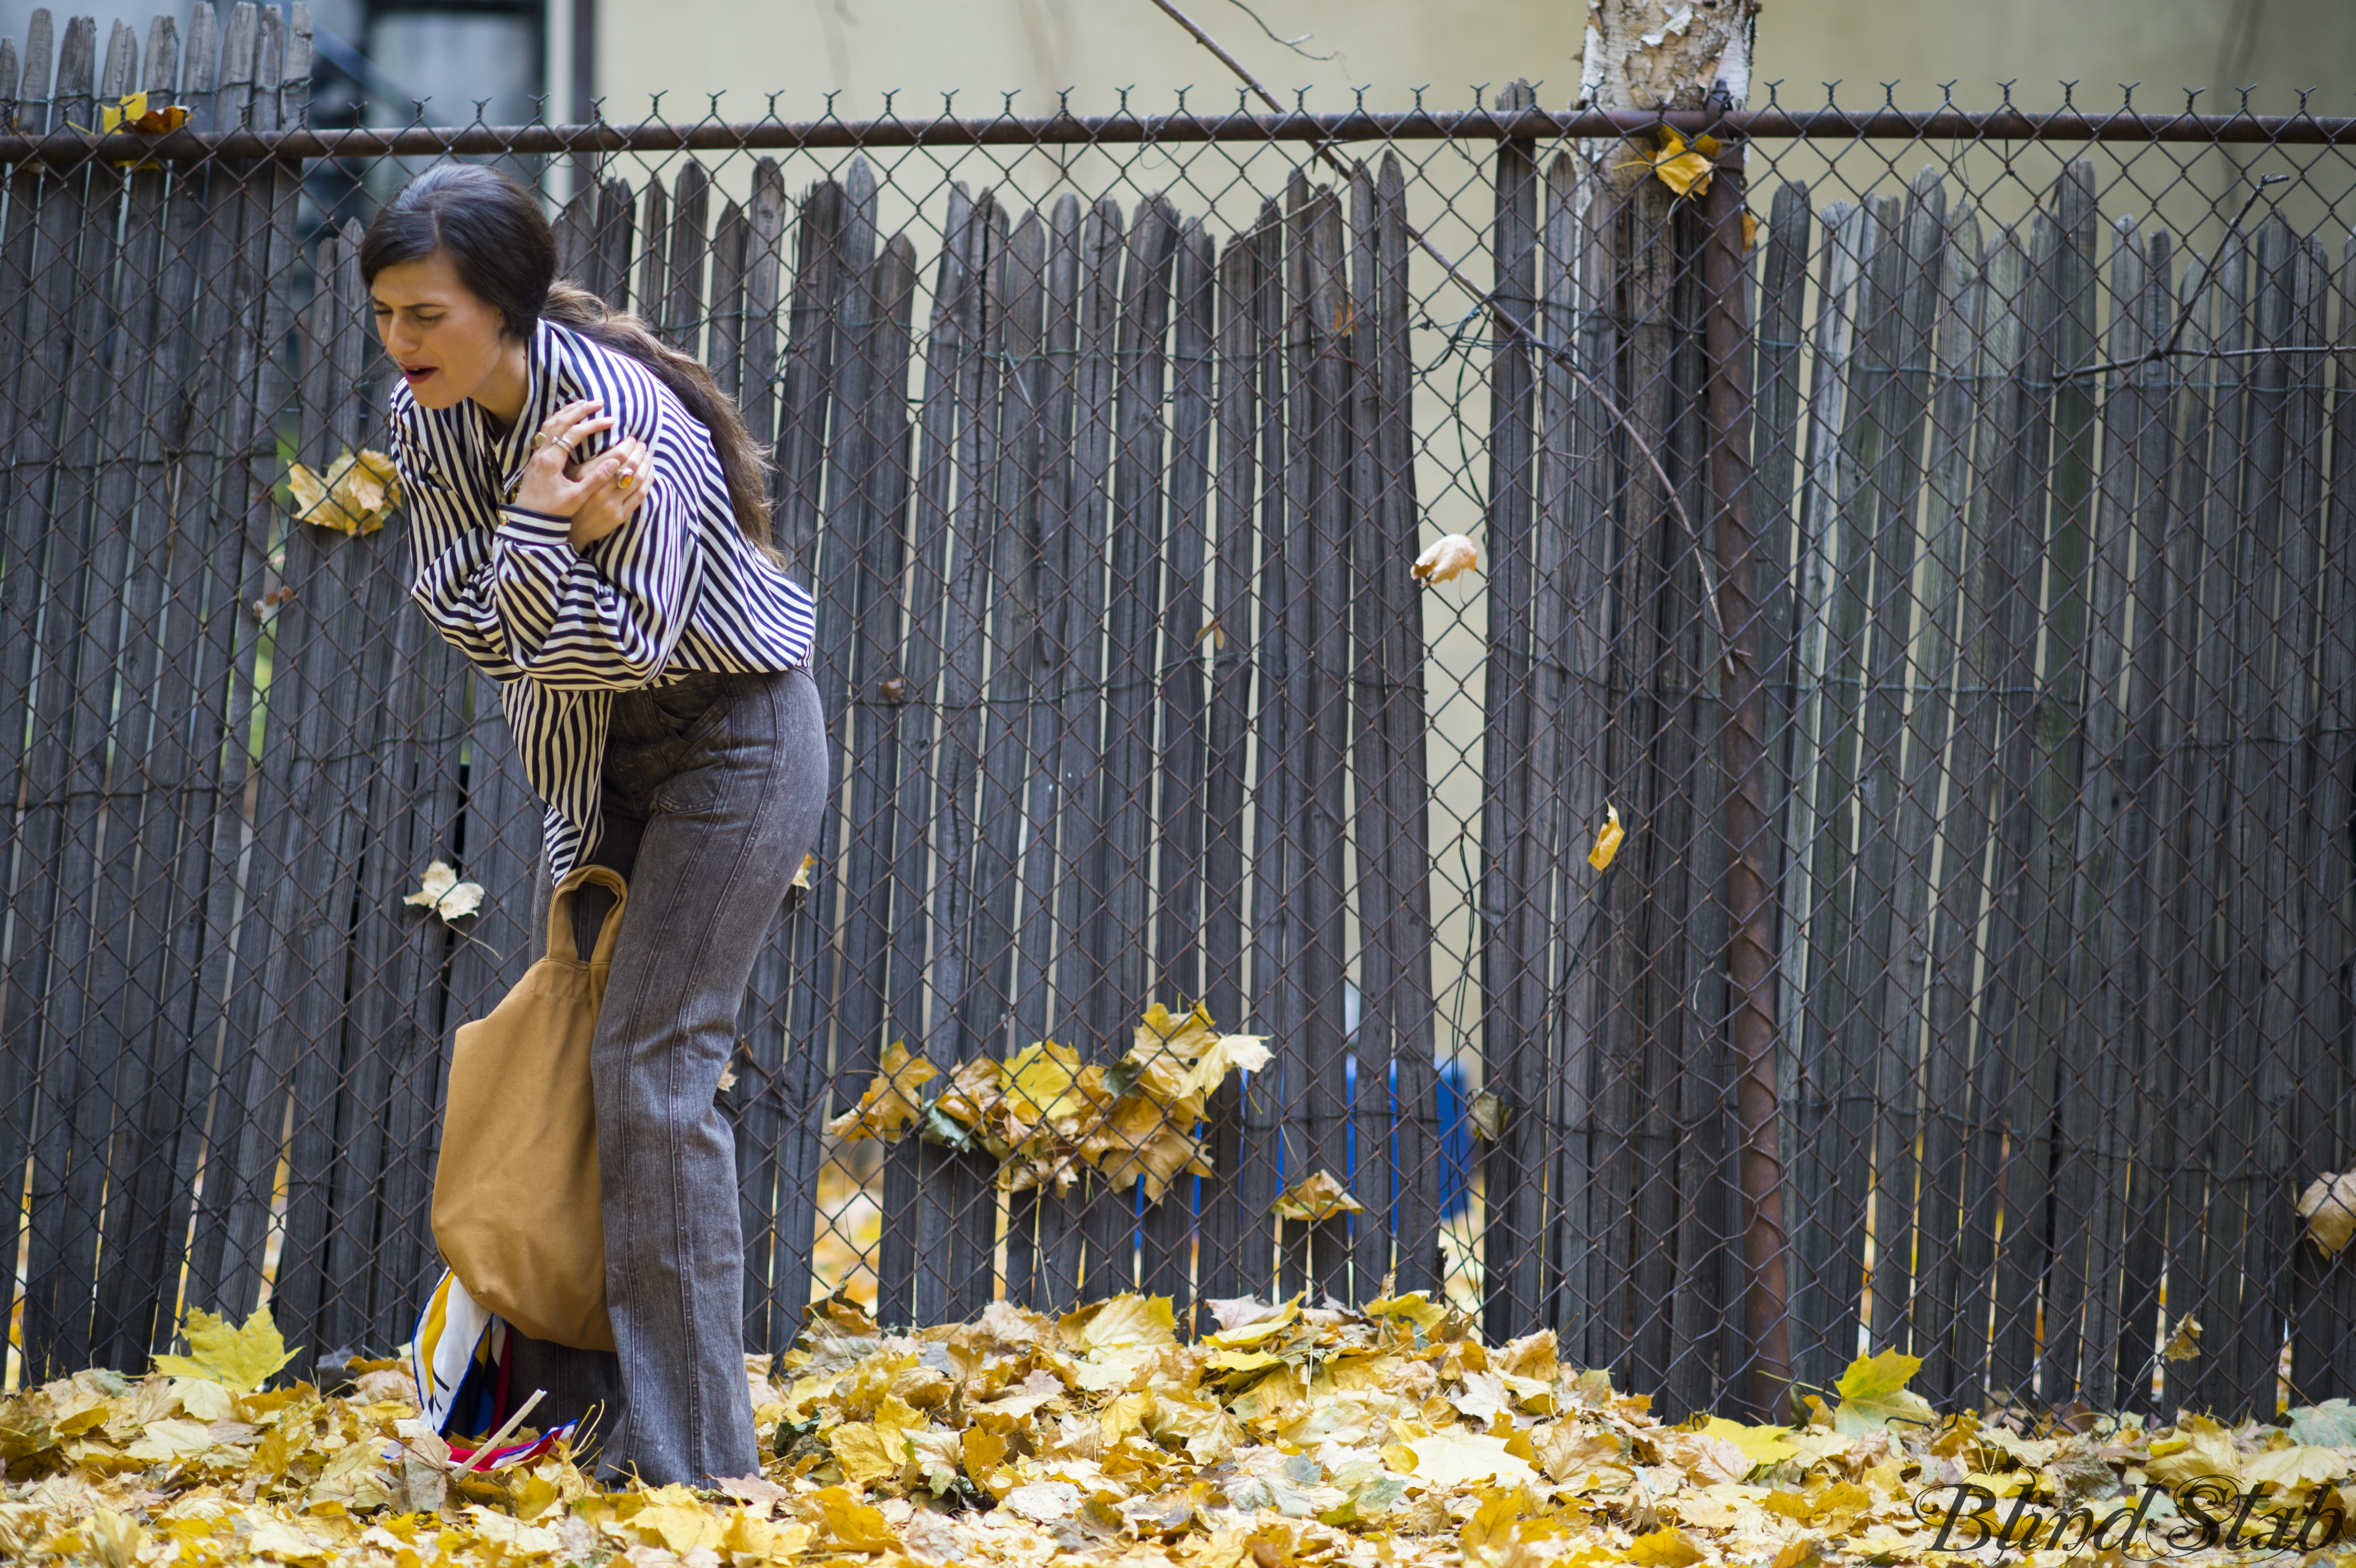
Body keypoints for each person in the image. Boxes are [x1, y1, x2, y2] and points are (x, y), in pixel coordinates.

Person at [361, 163, 826, 1486]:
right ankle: (577, 1432)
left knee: (655, 1074)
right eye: (387, 312)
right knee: (586, 1066)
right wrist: (540, 531)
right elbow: (465, 618)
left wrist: (540, 568)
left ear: (505, 305)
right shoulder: (431, 418)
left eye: (427, 313)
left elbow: (622, 646)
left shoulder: (624, 418)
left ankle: (703, 1472)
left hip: (734, 742)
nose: (401, 342)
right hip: (602, 767)